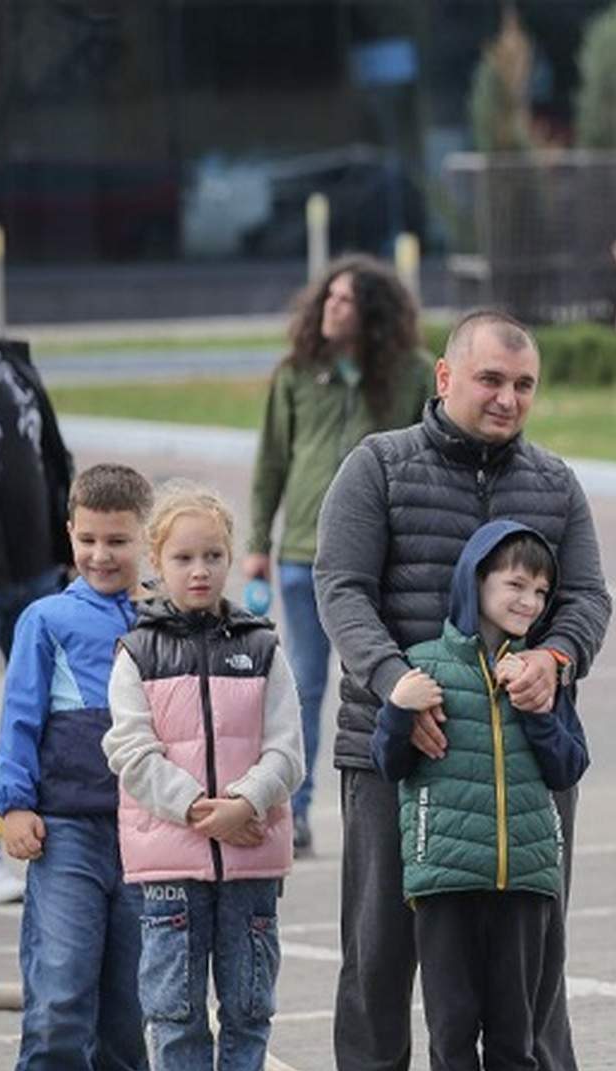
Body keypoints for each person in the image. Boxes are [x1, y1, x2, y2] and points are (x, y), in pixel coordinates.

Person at [312, 309, 613, 1071]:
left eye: (523, 385)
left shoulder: (555, 483)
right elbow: (341, 586)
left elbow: (588, 595)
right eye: (490, 380)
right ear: (445, 379)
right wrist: (397, 683)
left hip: (526, 755)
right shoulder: (377, 467)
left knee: (534, 938)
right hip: (395, 751)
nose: (508, 398)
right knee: (379, 944)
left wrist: (556, 660)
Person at [371, 521, 588, 1071]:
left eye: (540, 590)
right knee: (454, 1011)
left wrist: (539, 706)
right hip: (445, 878)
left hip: (522, 875)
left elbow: (568, 764)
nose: (527, 599)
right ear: (476, 583)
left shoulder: (544, 675)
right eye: (513, 584)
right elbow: (389, 763)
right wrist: (397, 710)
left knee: (516, 1014)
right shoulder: (425, 665)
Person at [102, 483, 305, 1071]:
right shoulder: (137, 652)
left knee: (249, 1002)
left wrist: (247, 801)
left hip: (249, 861)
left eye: (214, 554)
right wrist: (196, 809)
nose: (200, 569)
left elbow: (287, 747)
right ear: (156, 561)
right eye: (184, 556)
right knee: (176, 1004)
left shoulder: (262, 644)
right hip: (171, 865)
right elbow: (130, 752)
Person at [0, 464, 164, 1071]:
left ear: (146, 540)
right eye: (89, 538)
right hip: (64, 831)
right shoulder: (46, 620)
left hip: (146, 834)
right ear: (70, 533)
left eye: (118, 541)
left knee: (133, 985)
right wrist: (11, 806)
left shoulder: (162, 620)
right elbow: (21, 717)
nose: (101, 554)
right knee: (62, 978)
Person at [245, 256, 434, 859]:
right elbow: (271, 462)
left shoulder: (411, 375)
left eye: (347, 300)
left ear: (373, 313)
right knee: (302, 685)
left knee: (385, 683)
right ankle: (294, 813)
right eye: (328, 297)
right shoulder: (297, 373)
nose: (331, 306)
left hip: (382, 563)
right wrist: (256, 545)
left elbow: (428, 460)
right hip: (302, 555)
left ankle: (397, 804)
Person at [0, 336, 75, 905]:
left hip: (35, 570)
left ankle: (55, 840)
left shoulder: (11, 363)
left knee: (45, 710)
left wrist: (67, 545)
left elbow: (50, 453)